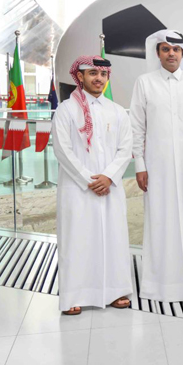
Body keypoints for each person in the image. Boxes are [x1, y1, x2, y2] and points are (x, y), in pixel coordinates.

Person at [130, 29, 183, 303]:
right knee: (160, 220)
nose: (171, 54)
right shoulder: (145, 83)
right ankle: (159, 283)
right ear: (157, 53)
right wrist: (140, 165)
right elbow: (137, 127)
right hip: (157, 167)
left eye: (176, 49)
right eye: (165, 49)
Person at [53, 55, 134, 315]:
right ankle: (73, 296)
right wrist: (89, 179)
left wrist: (108, 176)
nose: (99, 78)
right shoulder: (66, 109)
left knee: (114, 238)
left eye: (103, 74)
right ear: (80, 76)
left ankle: (115, 291)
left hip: (110, 187)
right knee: (77, 240)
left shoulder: (117, 111)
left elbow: (126, 149)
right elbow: (62, 149)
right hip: (78, 188)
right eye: (93, 73)